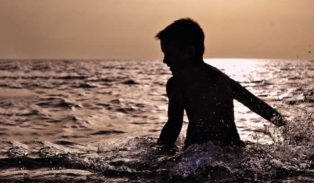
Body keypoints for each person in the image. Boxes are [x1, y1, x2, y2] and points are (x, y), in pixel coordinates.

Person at [155, 18, 286, 148]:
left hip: (198, 154)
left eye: (169, 54)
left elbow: (173, 125)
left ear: (189, 52)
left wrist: (157, 156)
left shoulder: (177, 83)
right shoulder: (222, 79)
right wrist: (287, 126)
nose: (165, 60)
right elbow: (256, 104)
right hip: (234, 151)